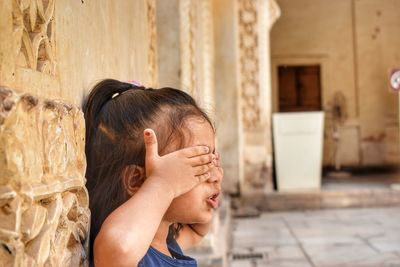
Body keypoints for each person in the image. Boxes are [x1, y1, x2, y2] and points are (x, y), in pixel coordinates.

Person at [83, 79, 223, 267]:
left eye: (210, 159)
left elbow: (198, 231)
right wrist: (162, 184)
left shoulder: (166, 243)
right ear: (137, 180)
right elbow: (119, 248)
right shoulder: (136, 257)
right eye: (197, 165)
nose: (215, 175)